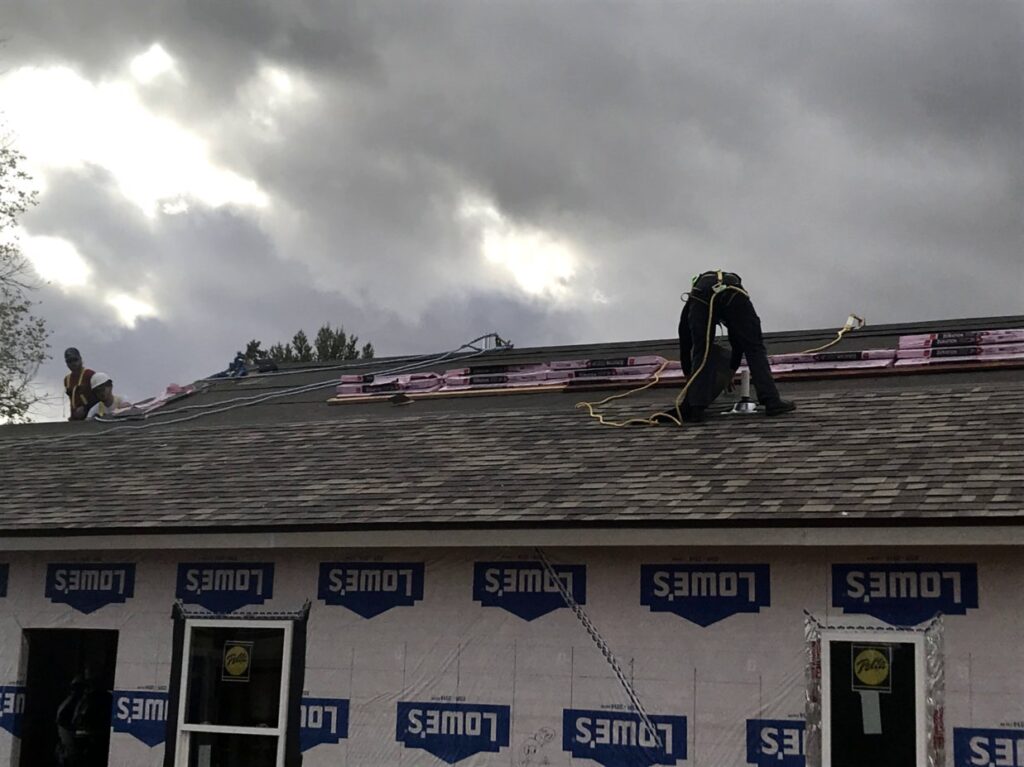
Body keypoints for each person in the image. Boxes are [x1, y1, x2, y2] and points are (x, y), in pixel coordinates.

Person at [678, 270, 796, 422]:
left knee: (702, 349)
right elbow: (738, 342)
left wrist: (690, 375)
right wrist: (730, 370)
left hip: (703, 297)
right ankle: (772, 401)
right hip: (734, 296)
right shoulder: (733, 291)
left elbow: (686, 341)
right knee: (754, 348)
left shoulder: (694, 299)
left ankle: (695, 408)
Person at [63, 348, 98, 421]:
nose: (73, 363)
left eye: (75, 359)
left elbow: (100, 397)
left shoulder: (90, 375)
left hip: (92, 416)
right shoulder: (67, 379)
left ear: (80, 359)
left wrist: (85, 408)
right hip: (75, 419)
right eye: (69, 361)